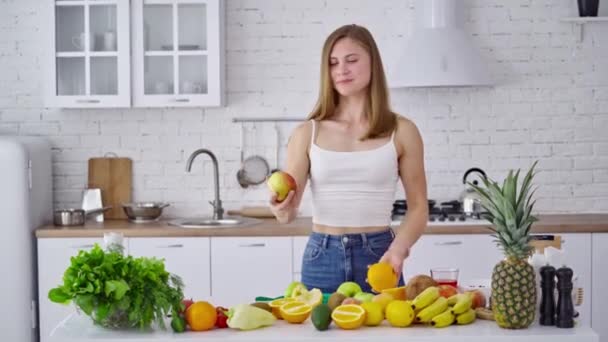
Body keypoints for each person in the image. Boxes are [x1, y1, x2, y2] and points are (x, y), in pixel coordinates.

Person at [268, 24, 428, 294]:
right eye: (333, 63)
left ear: (373, 64)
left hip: (380, 255)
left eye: (351, 60)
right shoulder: (307, 133)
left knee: (384, 336)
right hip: (322, 256)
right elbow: (288, 212)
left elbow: (419, 207)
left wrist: (398, 250)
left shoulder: (402, 131)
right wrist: (280, 208)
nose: (341, 70)